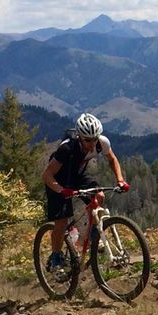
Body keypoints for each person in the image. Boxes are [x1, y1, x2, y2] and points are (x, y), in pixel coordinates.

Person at [41, 113, 129, 270]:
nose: (92, 143)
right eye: (88, 140)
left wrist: (120, 180)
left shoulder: (102, 143)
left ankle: (94, 236)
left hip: (78, 176)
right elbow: (46, 175)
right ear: (79, 137)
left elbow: (112, 159)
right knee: (61, 220)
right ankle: (55, 256)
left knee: (99, 195)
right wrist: (61, 191)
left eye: (95, 138)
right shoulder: (66, 148)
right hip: (57, 181)